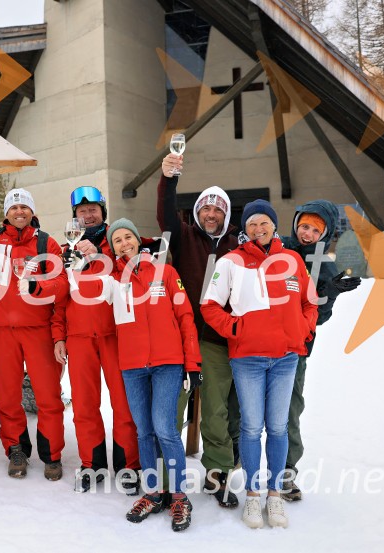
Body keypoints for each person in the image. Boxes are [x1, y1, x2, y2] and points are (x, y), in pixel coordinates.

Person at [69, 218, 201, 532]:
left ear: (138, 241)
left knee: (165, 429)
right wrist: (76, 267)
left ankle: (179, 495)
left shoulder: (166, 273)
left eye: (128, 237)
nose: (124, 243)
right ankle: (153, 492)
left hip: (168, 363)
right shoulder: (112, 278)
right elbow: (87, 292)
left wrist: (192, 364)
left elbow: (185, 317)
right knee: (143, 431)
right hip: (131, 366)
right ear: (111, 247)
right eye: (118, 240)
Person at [201, 199, 318, 529]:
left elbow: (310, 302)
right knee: (252, 428)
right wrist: (235, 328)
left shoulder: (292, 259)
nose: (258, 228)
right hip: (248, 359)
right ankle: (253, 496)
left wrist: (303, 327)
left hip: (285, 359)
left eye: (264, 222)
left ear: (274, 225)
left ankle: (275, 494)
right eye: (252, 223)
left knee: (278, 428)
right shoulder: (230, 261)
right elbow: (209, 306)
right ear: (245, 229)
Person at [157, 153, 241, 508]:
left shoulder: (237, 245)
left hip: (216, 341)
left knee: (216, 410)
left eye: (217, 210)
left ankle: (217, 475)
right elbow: (164, 213)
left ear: (225, 215)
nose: (210, 214)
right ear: (197, 213)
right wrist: (169, 180)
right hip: (180, 340)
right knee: (171, 409)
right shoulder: (183, 236)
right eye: (206, 208)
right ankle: (165, 481)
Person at [0, 188, 68, 481]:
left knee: (48, 396)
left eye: (25, 207)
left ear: (32, 212)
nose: (19, 212)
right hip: (2, 331)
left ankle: (52, 454)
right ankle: (16, 449)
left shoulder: (45, 242)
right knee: (6, 396)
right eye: (14, 208)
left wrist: (40, 287)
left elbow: (62, 283)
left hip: (38, 329)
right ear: (6, 213)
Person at [51, 186, 141, 494]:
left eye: (94, 210)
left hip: (115, 335)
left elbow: (132, 277)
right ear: (74, 217)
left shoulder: (117, 243)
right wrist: (58, 335)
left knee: (124, 402)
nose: (88, 215)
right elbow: (58, 299)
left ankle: (128, 463)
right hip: (78, 337)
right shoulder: (66, 250)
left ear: (103, 212)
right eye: (82, 211)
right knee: (85, 404)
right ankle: (92, 462)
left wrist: (101, 255)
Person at [280, 201, 361, 501]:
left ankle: (286, 472)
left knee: (289, 410)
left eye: (316, 230)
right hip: (258, 345)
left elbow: (320, 317)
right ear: (296, 224)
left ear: (325, 234)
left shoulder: (324, 266)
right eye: (305, 226)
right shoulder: (278, 249)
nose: (308, 233)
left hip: (295, 350)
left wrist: (331, 292)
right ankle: (232, 462)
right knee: (242, 409)